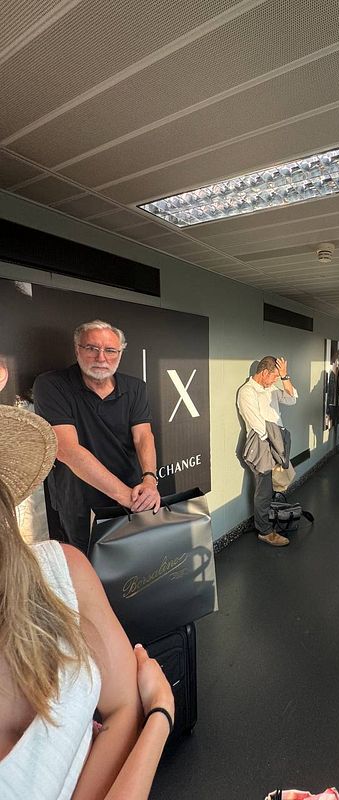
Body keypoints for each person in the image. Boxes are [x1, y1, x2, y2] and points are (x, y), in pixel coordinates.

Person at [0, 404, 174, 800]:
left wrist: (147, 481)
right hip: (86, 508)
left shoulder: (61, 569)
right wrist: (161, 712)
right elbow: (68, 448)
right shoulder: (58, 391)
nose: (102, 365)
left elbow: (122, 708)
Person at [33, 320, 161, 552]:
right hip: (81, 502)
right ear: (77, 349)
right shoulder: (51, 385)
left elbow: (143, 436)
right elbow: (67, 450)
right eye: (92, 348)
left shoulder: (135, 387)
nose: (101, 358)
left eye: (110, 350)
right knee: (90, 565)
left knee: (138, 561)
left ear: (120, 353)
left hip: (134, 491)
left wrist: (150, 480)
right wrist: (127, 497)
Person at [237, 356, 297, 547]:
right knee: (263, 490)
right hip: (262, 444)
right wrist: (277, 447)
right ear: (264, 373)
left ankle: (269, 521)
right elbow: (259, 426)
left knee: (272, 486)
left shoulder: (270, 388)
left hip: (275, 442)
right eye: (274, 377)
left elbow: (291, 399)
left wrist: (285, 376)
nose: (275, 381)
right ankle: (265, 531)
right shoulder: (247, 392)